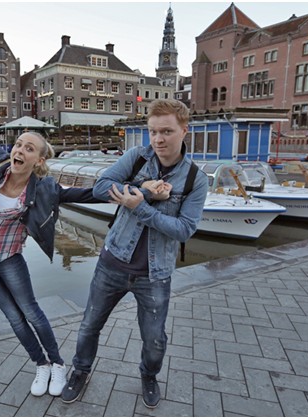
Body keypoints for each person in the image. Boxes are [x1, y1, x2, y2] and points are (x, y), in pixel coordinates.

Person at [0, 66, 101, 397]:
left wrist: (135, 191)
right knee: (13, 317)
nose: (20, 150)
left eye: (29, 148)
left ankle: (57, 364)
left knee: (31, 312)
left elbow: (87, 193)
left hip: (7, 259)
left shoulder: (43, 188)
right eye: (18, 144)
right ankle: (40, 364)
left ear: (39, 161)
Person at [61, 98, 208, 409]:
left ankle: (149, 375)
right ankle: (80, 370)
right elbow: (100, 187)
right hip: (112, 263)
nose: (158, 139)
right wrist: (144, 191)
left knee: (154, 339)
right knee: (89, 325)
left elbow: (184, 230)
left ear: (184, 130)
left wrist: (140, 207)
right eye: (153, 131)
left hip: (155, 274)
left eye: (166, 131)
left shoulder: (195, 179)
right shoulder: (137, 158)